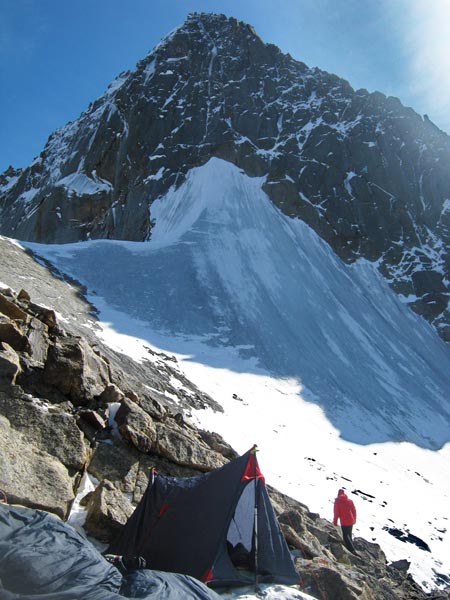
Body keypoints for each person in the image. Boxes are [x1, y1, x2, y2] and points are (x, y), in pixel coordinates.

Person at [333, 488, 358, 555]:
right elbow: (354, 510)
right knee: (349, 534)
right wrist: (354, 519)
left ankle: (351, 550)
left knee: (345, 535)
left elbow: (336, 513)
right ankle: (351, 547)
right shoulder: (349, 501)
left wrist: (335, 522)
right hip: (351, 520)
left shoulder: (337, 502)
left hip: (344, 521)